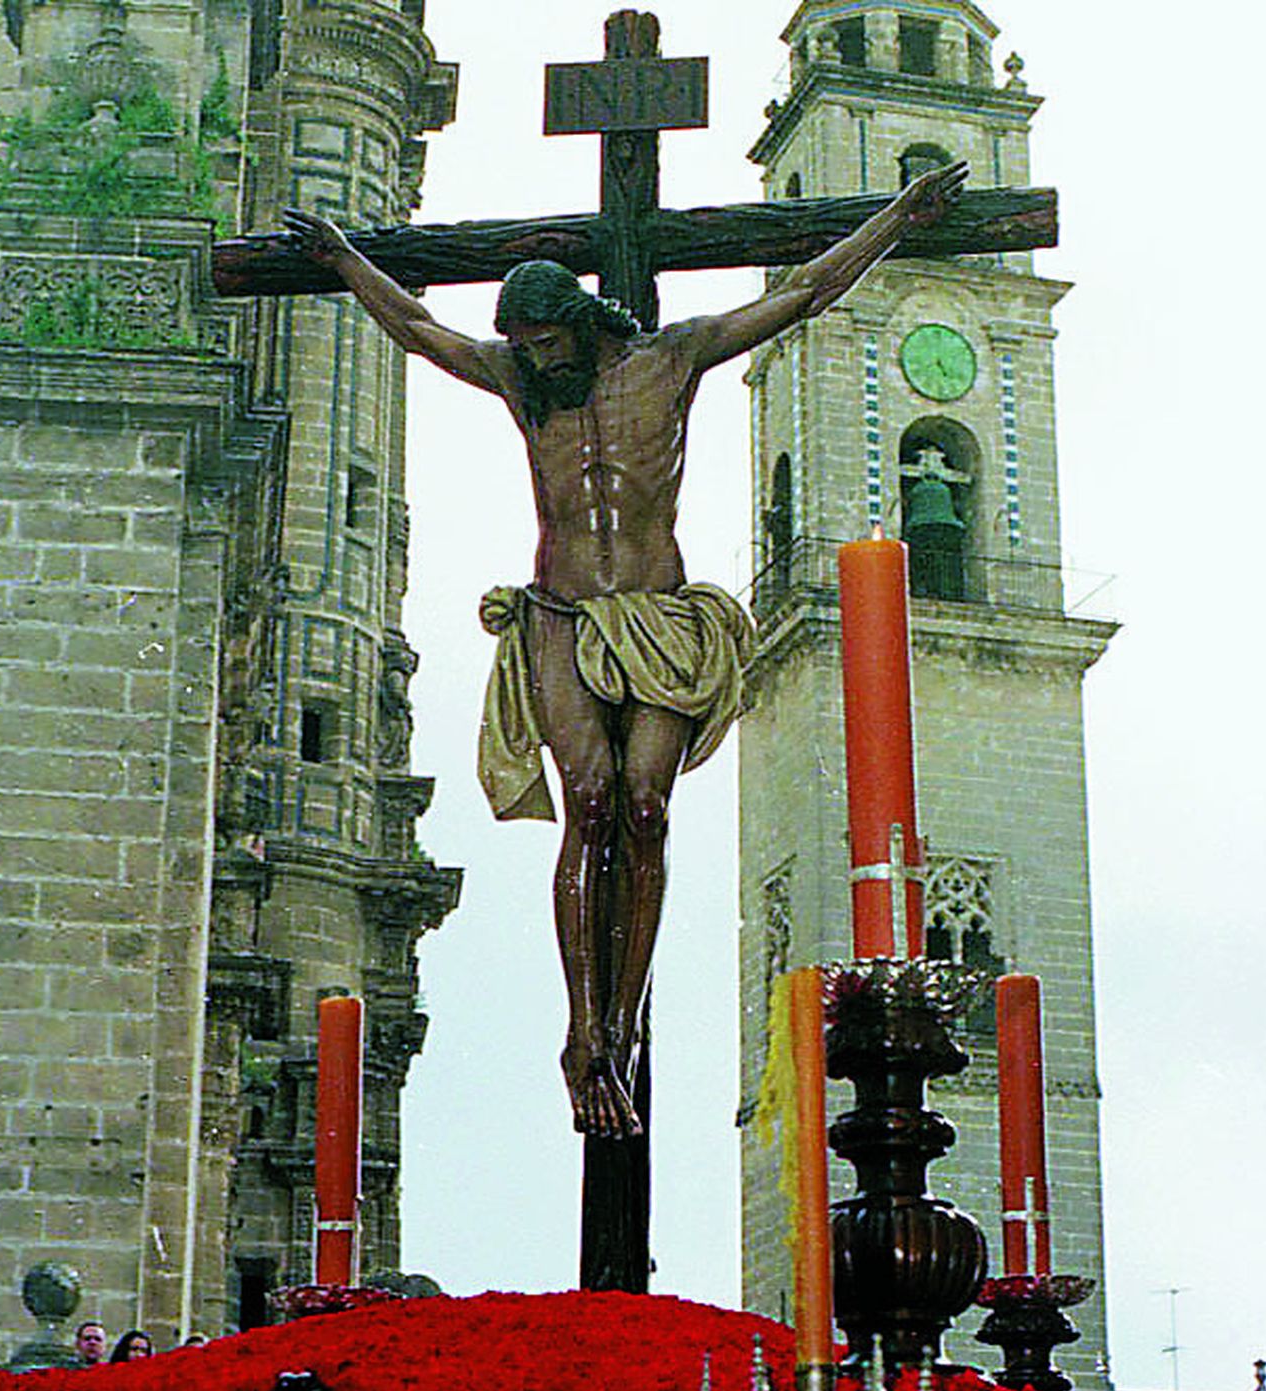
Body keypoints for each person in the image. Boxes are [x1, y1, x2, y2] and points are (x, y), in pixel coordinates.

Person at [285, 160, 966, 1139]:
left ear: (581, 322)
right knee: (592, 801)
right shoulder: (520, 382)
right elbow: (420, 329)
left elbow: (805, 291)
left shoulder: (670, 359)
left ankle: (625, 1016)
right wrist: (346, 260)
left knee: (645, 805)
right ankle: (584, 1029)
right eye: (522, 345)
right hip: (561, 615)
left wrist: (898, 218)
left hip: (658, 616)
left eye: (546, 341)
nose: (534, 359)